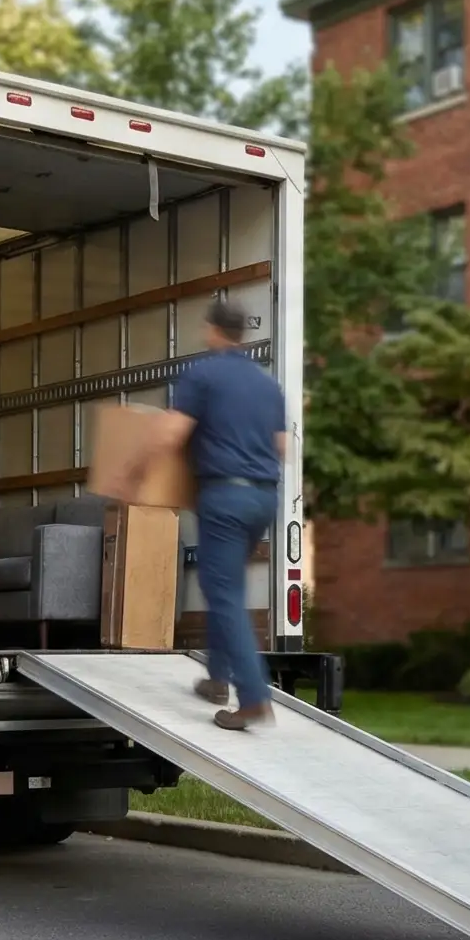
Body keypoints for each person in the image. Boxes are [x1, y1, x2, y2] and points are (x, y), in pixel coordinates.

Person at [128, 295, 289, 731]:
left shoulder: (203, 374)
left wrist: (135, 470)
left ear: (212, 330)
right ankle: (217, 678)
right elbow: (283, 447)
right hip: (263, 498)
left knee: (224, 595)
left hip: (225, 497)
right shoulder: (267, 385)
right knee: (229, 584)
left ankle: (254, 697)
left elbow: (171, 435)